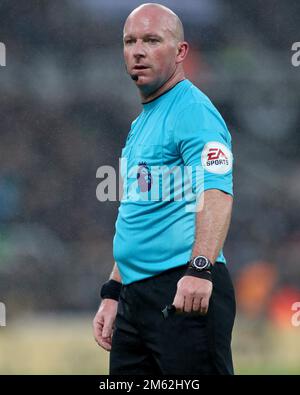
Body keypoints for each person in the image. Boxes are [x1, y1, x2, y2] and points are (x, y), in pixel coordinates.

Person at [93, 3, 236, 375]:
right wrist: (113, 292)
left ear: (180, 51)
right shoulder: (141, 123)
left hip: (182, 287)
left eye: (152, 40)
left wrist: (200, 269)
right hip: (135, 299)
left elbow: (216, 191)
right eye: (130, 41)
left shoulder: (193, 112)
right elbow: (138, 216)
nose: (137, 50)